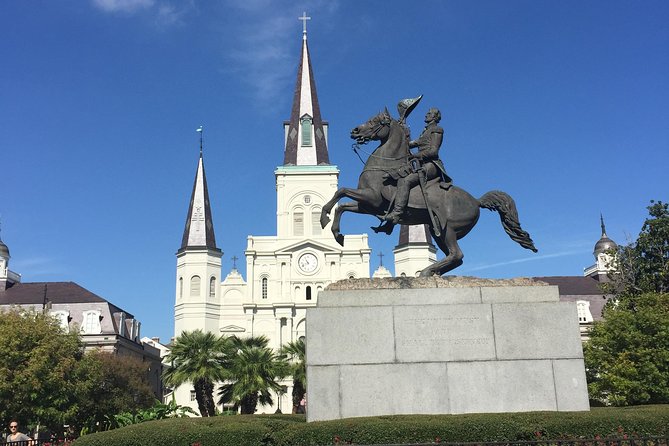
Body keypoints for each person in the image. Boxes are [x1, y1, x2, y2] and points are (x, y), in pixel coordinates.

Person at [384, 107, 452, 224]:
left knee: (405, 181)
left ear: (435, 117)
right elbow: (410, 144)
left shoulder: (437, 130)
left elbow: (433, 151)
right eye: (427, 113)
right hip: (421, 164)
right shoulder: (424, 132)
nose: (426, 115)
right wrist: (403, 129)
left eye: (429, 113)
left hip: (432, 165)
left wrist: (416, 155)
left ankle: (397, 213)